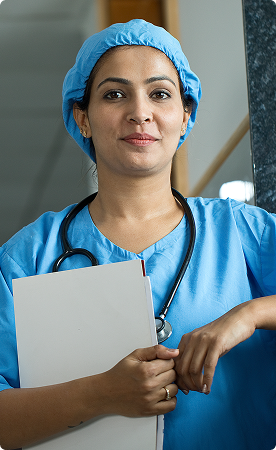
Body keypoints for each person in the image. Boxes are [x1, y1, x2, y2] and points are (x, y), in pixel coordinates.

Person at [0, 18, 276, 450]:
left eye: (160, 93)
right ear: (83, 117)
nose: (140, 111)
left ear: (185, 116)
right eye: (114, 94)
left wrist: (249, 315)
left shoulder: (243, 231)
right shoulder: (28, 257)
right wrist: (101, 394)